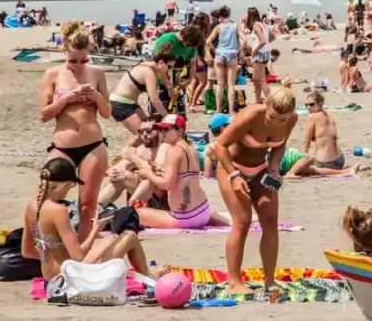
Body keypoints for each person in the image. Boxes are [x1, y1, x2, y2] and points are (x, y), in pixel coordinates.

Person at [209, 84, 300, 297]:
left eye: (282, 119)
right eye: (273, 116)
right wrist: (234, 176)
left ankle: (269, 280)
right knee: (242, 221)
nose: (276, 122)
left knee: (270, 220)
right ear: (266, 105)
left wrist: (275, 168)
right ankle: (234, 281)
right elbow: (220, 145)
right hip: (231, 166)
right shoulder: (251, 115)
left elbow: (280, 145)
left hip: (261, 169)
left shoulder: (292, 119)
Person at [39, 20, 112, 241]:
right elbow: (44, 114)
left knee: (87, 204)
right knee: (47, 199)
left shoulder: (97, 73)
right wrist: (67, 99)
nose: (78, 65)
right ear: (64, 50)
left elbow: (107, 112)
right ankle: (47, 247)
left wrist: (96, 97)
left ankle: (82, 251)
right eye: (73, 60)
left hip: (93, 145)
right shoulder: (53, 74)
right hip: (63, 145)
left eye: (83, 60)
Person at [23, 157, 150, 280]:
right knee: (130, 236)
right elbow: (78, 256)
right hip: (71, 279)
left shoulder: (31, 207)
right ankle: (148, 279)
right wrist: (95, 231)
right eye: (71, 185)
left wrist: (50, 254)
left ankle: (146, 276)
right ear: (65, 185)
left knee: (112, 238)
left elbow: (27, 251)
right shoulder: (59, 211)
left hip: (52, 278)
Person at [129, 114, 230, 229]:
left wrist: (148, 174)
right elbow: (185, 177)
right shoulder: (190, 148)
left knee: (135, 213)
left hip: (185, 218)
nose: (163, 133)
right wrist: (160, 170)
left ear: (180, 131)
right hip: (203, 210)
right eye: (161, 129)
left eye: (167, 129)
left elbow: (168, 184)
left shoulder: (175, 150)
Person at [287, 91, 359, 177]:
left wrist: (303, 159)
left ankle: (347, 172)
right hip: (340, 160)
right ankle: (349, 169)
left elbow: (306, 142)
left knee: (303, 168)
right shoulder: (330, 116)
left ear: (320, 104)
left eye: (312, 104)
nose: (308, 108)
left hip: (326, 163)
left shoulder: (312, 117)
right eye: (306, 105)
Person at [107, 47, 175, 136]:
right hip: (120, 104)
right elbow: (154, 98)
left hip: (128, 103)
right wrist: (166, 116)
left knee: (149, 131)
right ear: (161, 63)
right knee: (145, 136)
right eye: (169, 67)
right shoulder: (148, 72)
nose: (169, 70)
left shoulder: (144, 65)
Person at [206, 7, 241, 115]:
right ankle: (230, 110)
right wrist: (238, 50)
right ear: (229, 15)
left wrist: (215, 50)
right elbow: (245, 40)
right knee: (231, 84)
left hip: (220, 54)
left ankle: (218, 110)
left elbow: (208, 41)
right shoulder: (235, 26)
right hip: (232, 54)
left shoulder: (218, 27)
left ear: (220, 16)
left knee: (220, 84)